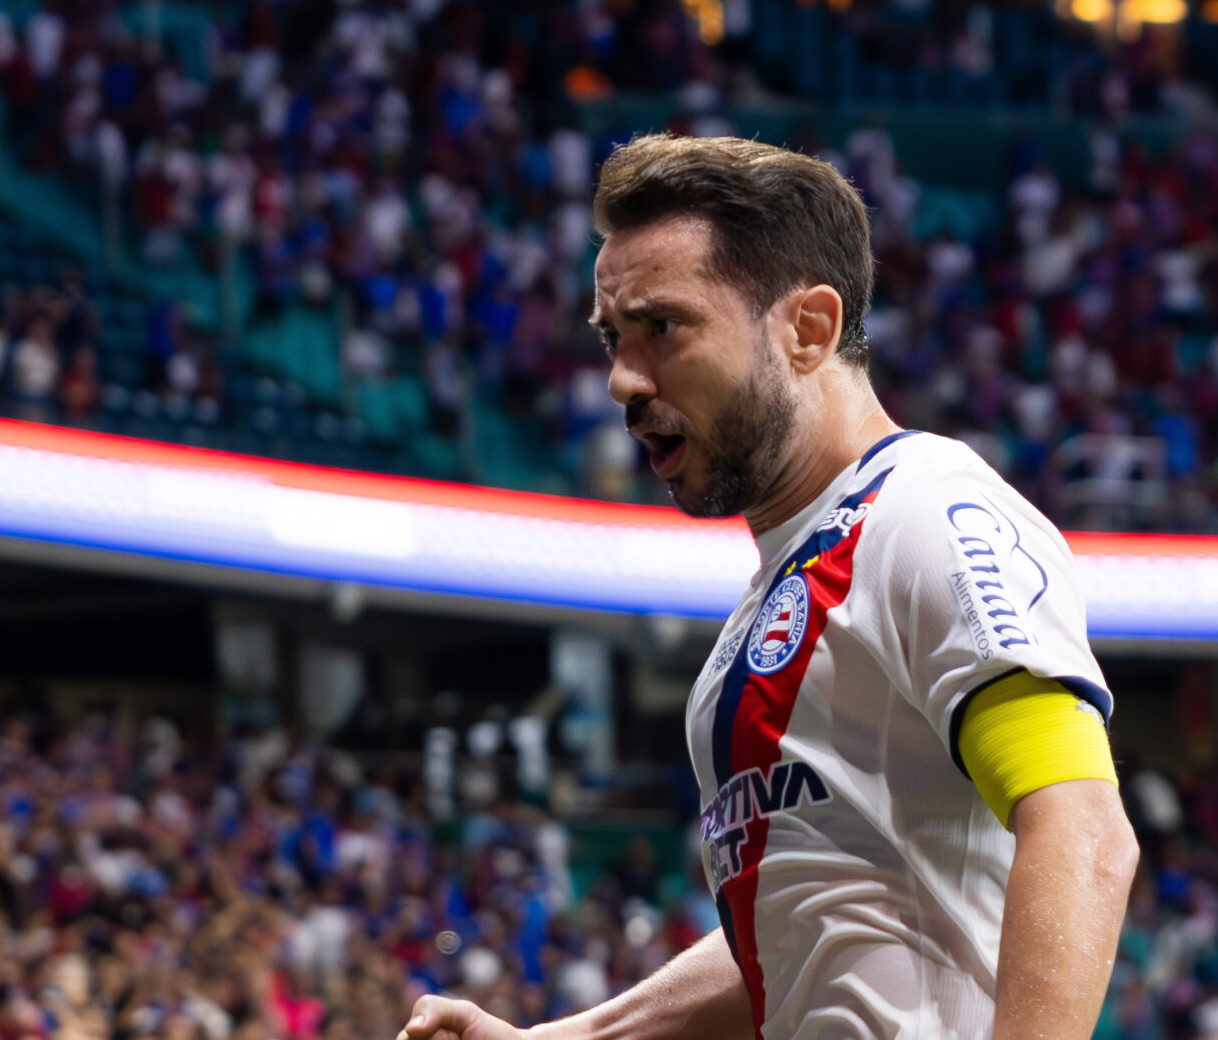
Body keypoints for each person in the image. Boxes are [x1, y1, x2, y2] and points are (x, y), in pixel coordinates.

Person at [399, 135, 1139, 1040]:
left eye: (662, 328)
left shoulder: (927, 515)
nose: (622, 380)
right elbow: (800, 929)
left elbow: (1083, 831)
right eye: (612, 338)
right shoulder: (782, 586)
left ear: (808, 330)